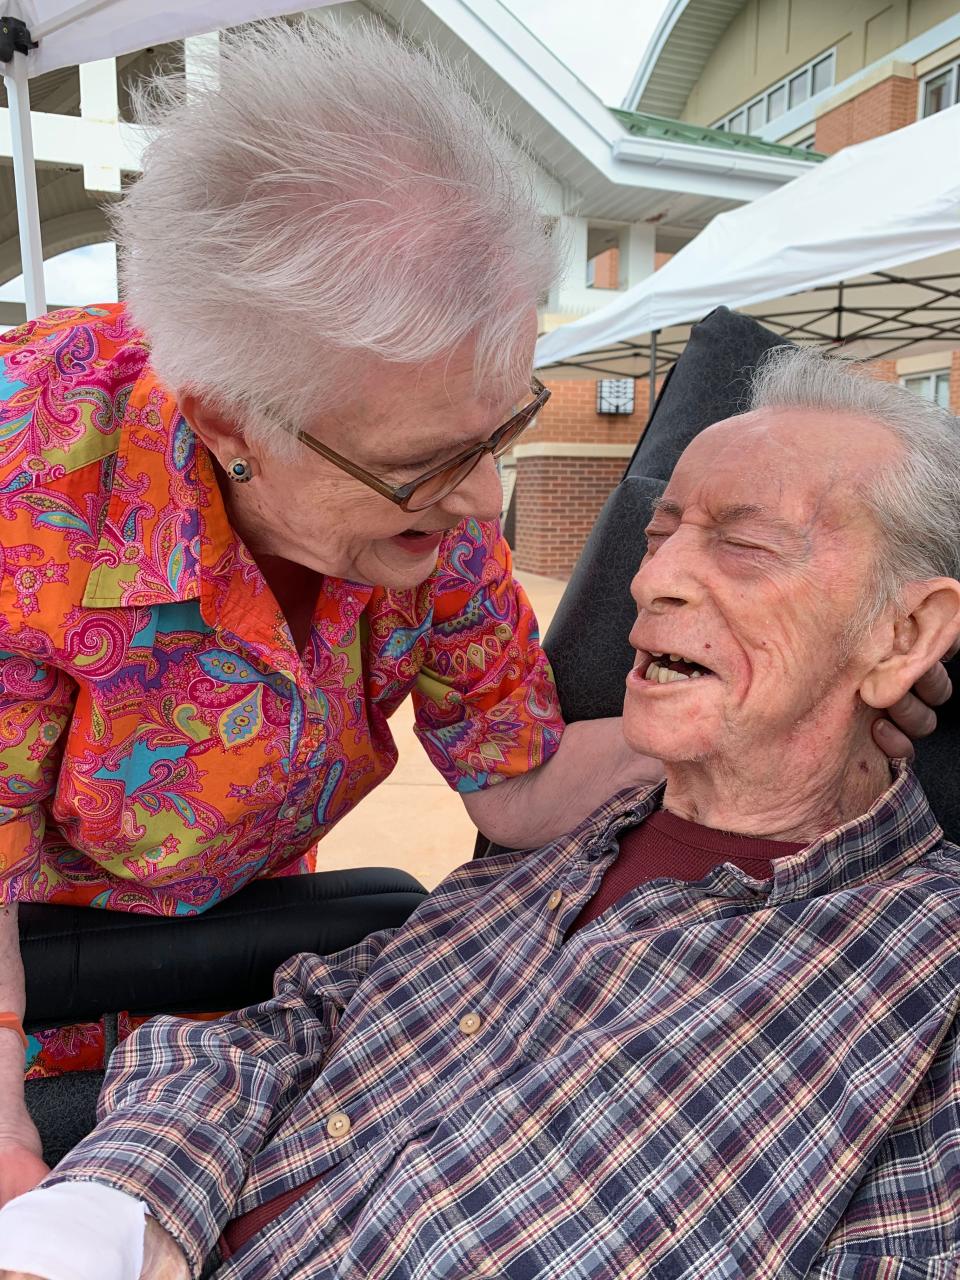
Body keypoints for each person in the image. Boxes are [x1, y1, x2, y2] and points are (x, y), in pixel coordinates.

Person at [2, 347, 958, 1280]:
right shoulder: (543, 866)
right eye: (658, 534)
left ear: (908, 631)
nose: (648, 579)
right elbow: (283, 1027)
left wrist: (786, 702)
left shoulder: (922, 982)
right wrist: (117, 1212)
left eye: (744, 544)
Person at [0, 17, 679, 1202]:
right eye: (425, 463)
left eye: (501, 428)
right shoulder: (33, 486)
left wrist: (782, 701)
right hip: (37, 984)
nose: (481, 505)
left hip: (256, 965)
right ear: (225, 424)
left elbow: (513, 780)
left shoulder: (433, 497)